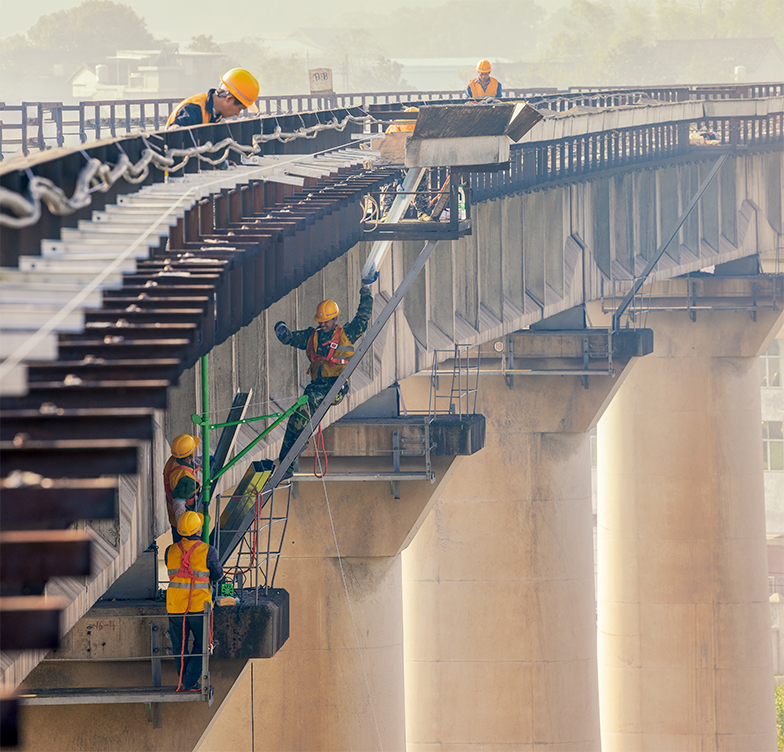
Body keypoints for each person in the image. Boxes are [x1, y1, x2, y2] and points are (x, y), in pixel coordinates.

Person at [274, 286, 374, 475]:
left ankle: (297, 447)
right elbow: (292, 339)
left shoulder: (346, 334)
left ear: (335, 319)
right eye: (320, 321)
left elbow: (363, 319)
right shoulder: (313, 336)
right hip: (315, 387)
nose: (323, 324)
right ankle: (286, 461)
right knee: (295, 417)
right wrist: (283, 332)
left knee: (306, 408)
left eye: (326, 321)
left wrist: (366, 294)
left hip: (335, 386)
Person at [165, 511, 223, 692]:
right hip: (198, 607)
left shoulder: (170, 550)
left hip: (175, 606)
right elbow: (218, 575)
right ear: (199, 530)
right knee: (203, 643)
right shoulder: (208, 551)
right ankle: (189, 682)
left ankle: (185, 680)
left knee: (179, 645)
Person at [166, 68, 260, 128]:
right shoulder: (193, 110)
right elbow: (175, 138)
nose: (238, 114)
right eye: (239, 109)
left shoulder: (215, 113)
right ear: (229, 98)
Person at [163, 434, 201, 542]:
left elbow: (190, 463)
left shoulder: (172, 461)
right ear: (191, 453)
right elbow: (178, 503)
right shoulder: (186, 479)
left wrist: (203, 461)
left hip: (176, 520)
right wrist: (185, 529)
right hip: (186, 524)